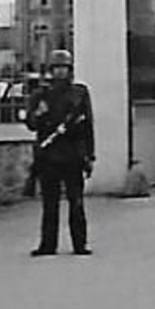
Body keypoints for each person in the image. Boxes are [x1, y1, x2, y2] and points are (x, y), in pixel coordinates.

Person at [24, 49, 95, 257]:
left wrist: (90, 155)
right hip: (49, 156)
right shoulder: (41, 95)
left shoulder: (79, 93)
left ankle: (80, 244)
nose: (60, 72)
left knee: (76, 202)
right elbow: (31, 124)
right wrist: (39, 113)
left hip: (73, 154)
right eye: (56, 68)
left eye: (64, 68)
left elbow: (88, 126)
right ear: (50, 70)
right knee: (50, 204)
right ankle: (48, 244)